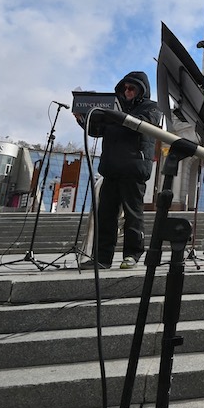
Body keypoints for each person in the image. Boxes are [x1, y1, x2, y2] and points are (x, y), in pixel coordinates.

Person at [76, 71, 160, 270]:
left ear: (141, 90)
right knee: (106, 216)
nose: (127, 91)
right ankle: (102, 258)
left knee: (133, 214)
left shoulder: (151, 108)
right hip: (111, 168)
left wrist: (111, 114)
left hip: (133, 168)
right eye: (124, 88)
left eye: (131, 88)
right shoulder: (114, 110)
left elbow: (140, 125)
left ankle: (132, 254)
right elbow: (97, 131)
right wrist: (82, 119)